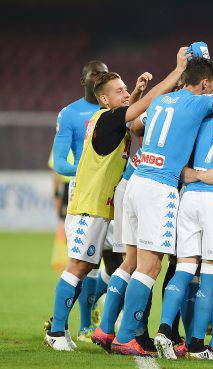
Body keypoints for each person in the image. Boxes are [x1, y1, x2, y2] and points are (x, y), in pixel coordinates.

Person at [44, 47, 189, 351]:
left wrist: (135, 91)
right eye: (119, 91)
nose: (126, 94)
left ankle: (85, 328)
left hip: (99, 205)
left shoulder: (107, 119)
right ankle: (56, 331)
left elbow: (132, 112)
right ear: (104, 99)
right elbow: (142, 107)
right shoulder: (107, 120)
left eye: (126, 89)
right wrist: (176, 73)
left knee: (91, 266)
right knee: (77, 266)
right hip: (88, 205)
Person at [112, 57, 213, 357]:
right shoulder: (198, 103)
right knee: (150, 266)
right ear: (204, 83)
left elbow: (135, 126)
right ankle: (126, 335)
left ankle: (130, 333)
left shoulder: (162, 101)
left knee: (137, 262)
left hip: (137, 181)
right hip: (160, 187)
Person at [49, 60, 125, 342]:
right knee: (85, 265)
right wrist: (88, 169)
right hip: (87, 194)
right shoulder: (70, 114)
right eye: (94, 74)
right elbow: (59, 161)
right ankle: (78, 325)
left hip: (116, 194)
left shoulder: (117, 108)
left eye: (103, 73)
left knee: (119, 263)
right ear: (85, 81)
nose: (99, 77)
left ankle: (97, 323)